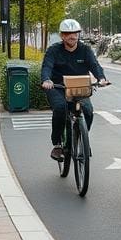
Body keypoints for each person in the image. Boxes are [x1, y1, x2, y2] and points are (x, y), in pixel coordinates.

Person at [41, 19, 109, 160]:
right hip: (58, 87)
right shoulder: (53, 50)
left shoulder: (85, 50)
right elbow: (47, 66)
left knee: (88, 111)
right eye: (68, 34)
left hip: (79, 88)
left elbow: (94, 65)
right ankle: (57, 145)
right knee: (60, 108)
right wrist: (47, 80)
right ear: (62, 36)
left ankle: (81, 139)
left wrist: (101, 78)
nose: (72, 36)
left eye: (75, 33)